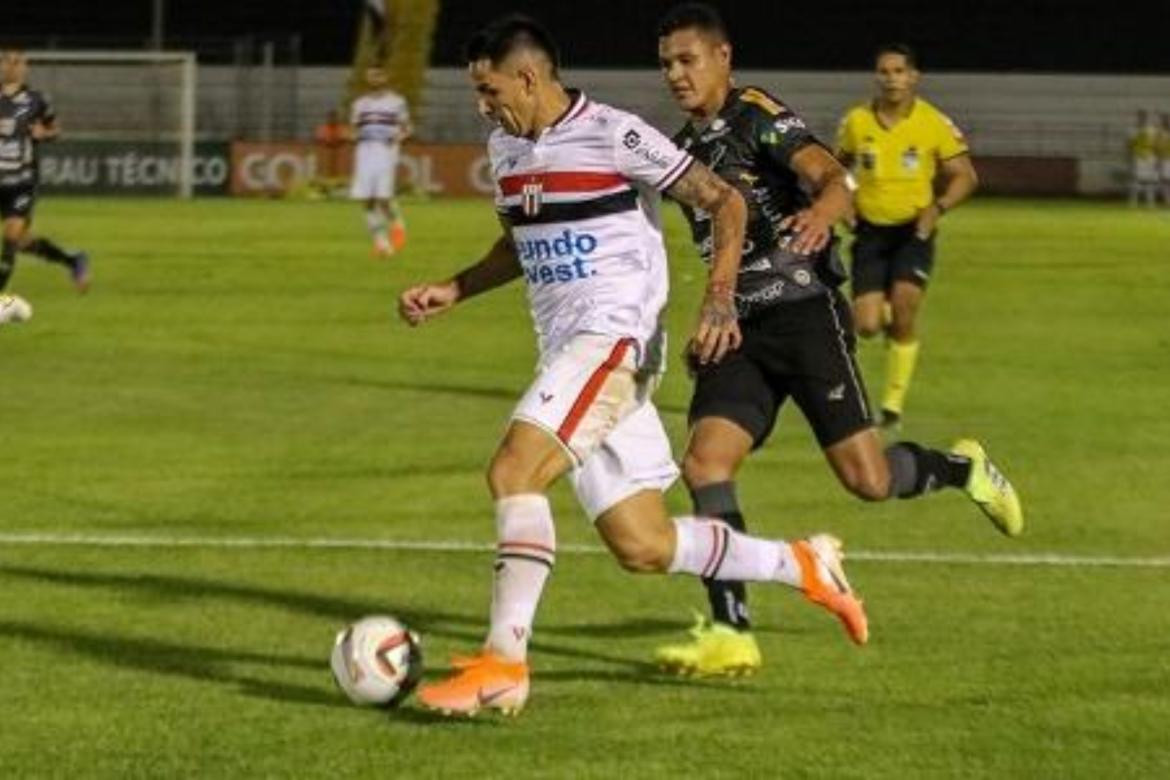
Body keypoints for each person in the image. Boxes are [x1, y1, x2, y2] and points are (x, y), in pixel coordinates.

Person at [396, 15, 869, 717]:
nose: (483, 105)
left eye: (489, 89)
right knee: (642, 544)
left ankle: (503, 663)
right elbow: (516, 243)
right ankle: (801, 564)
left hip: (613, 342)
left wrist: (718, 300)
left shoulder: (616, 135)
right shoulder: (506, 148)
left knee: (513, 471)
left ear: (528, 76)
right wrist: (455, 288)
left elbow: (725, 200)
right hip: (570, 351)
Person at [652, 5, 1021, 677]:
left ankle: (962, 468)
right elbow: (716, 247)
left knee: (868, 480)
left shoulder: (756, 113)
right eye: (667, 64)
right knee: (705, 463)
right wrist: (713, 311)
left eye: (688, 60)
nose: (676, 74)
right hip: (741, 329)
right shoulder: (683, 149)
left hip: (804, 316)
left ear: (722, 57)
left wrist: (824, 212)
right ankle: (731, 630)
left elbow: (834, 176)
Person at [836, 43, 978, 430]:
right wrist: (844, 201)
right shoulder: (857, 122)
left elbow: (966, 175)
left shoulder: (933, 122)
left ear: (913, 77)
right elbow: (836, 169)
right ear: (876, 77)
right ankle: (880, 312)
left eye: (899, 71)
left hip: (914, 231)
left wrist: (938, 207)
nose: (892, 79)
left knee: (905, 309)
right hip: (869, 233)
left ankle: (892, 408)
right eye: (884, 72)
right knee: (865, 325)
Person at [0, 49, 90, 296]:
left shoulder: (37, 100)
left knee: (10, 238)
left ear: (25, 68)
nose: (12, 66)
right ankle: (73, 260)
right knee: (21, 242)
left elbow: (56, 130)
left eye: (18, 62)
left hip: (22, 183)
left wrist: (44, 134)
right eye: (7, 61)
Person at [350, 66, 412, 257]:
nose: (374, 78)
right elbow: (354, 128)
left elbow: (407, 128)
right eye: (371, 75)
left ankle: (398, 226)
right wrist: (354, 136)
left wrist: (398, 139)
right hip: (364, 151)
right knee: (366, 199)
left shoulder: (396, 102)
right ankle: (381, 243)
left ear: (386, 77)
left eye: (378, 74)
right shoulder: (360, 104)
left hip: (385, 151)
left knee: (383, 198)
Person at [1125, 109, 1159, 207]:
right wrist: (1130, 156)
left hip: (1150, 157)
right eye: (1140, 117)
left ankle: (1150, 202)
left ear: (1147, 118)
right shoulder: (1133, 130)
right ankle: (1133, 202)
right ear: (1137, 118)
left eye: (1144, 117)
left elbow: (1156, 145)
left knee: (1150, 180)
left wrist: (1156, 158)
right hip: (1137, 157)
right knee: (1135, 180)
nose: (1142, 119)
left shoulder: (1152, 130)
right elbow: (1129, 145)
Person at [313, 108, 348, 188]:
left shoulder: (341, 128)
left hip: (338, 151)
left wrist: (337, 142)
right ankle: (324, 185)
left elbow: (344, 139)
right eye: (330, 117)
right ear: (327, 118)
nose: (332, 119)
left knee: (338, 169)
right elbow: (319, 140)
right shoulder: (322, 128)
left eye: (334, 117)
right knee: (325, 169)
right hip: (326, 150)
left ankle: (339, 184)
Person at [1157, 112, 1170, 206]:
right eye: (1164, 120)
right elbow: (1158, 146)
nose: (1166, 122)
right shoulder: (1160, 133)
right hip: (1164, 159)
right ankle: (1167, 200)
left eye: (1167, 120)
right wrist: (1159, 159)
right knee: (1165, 180)